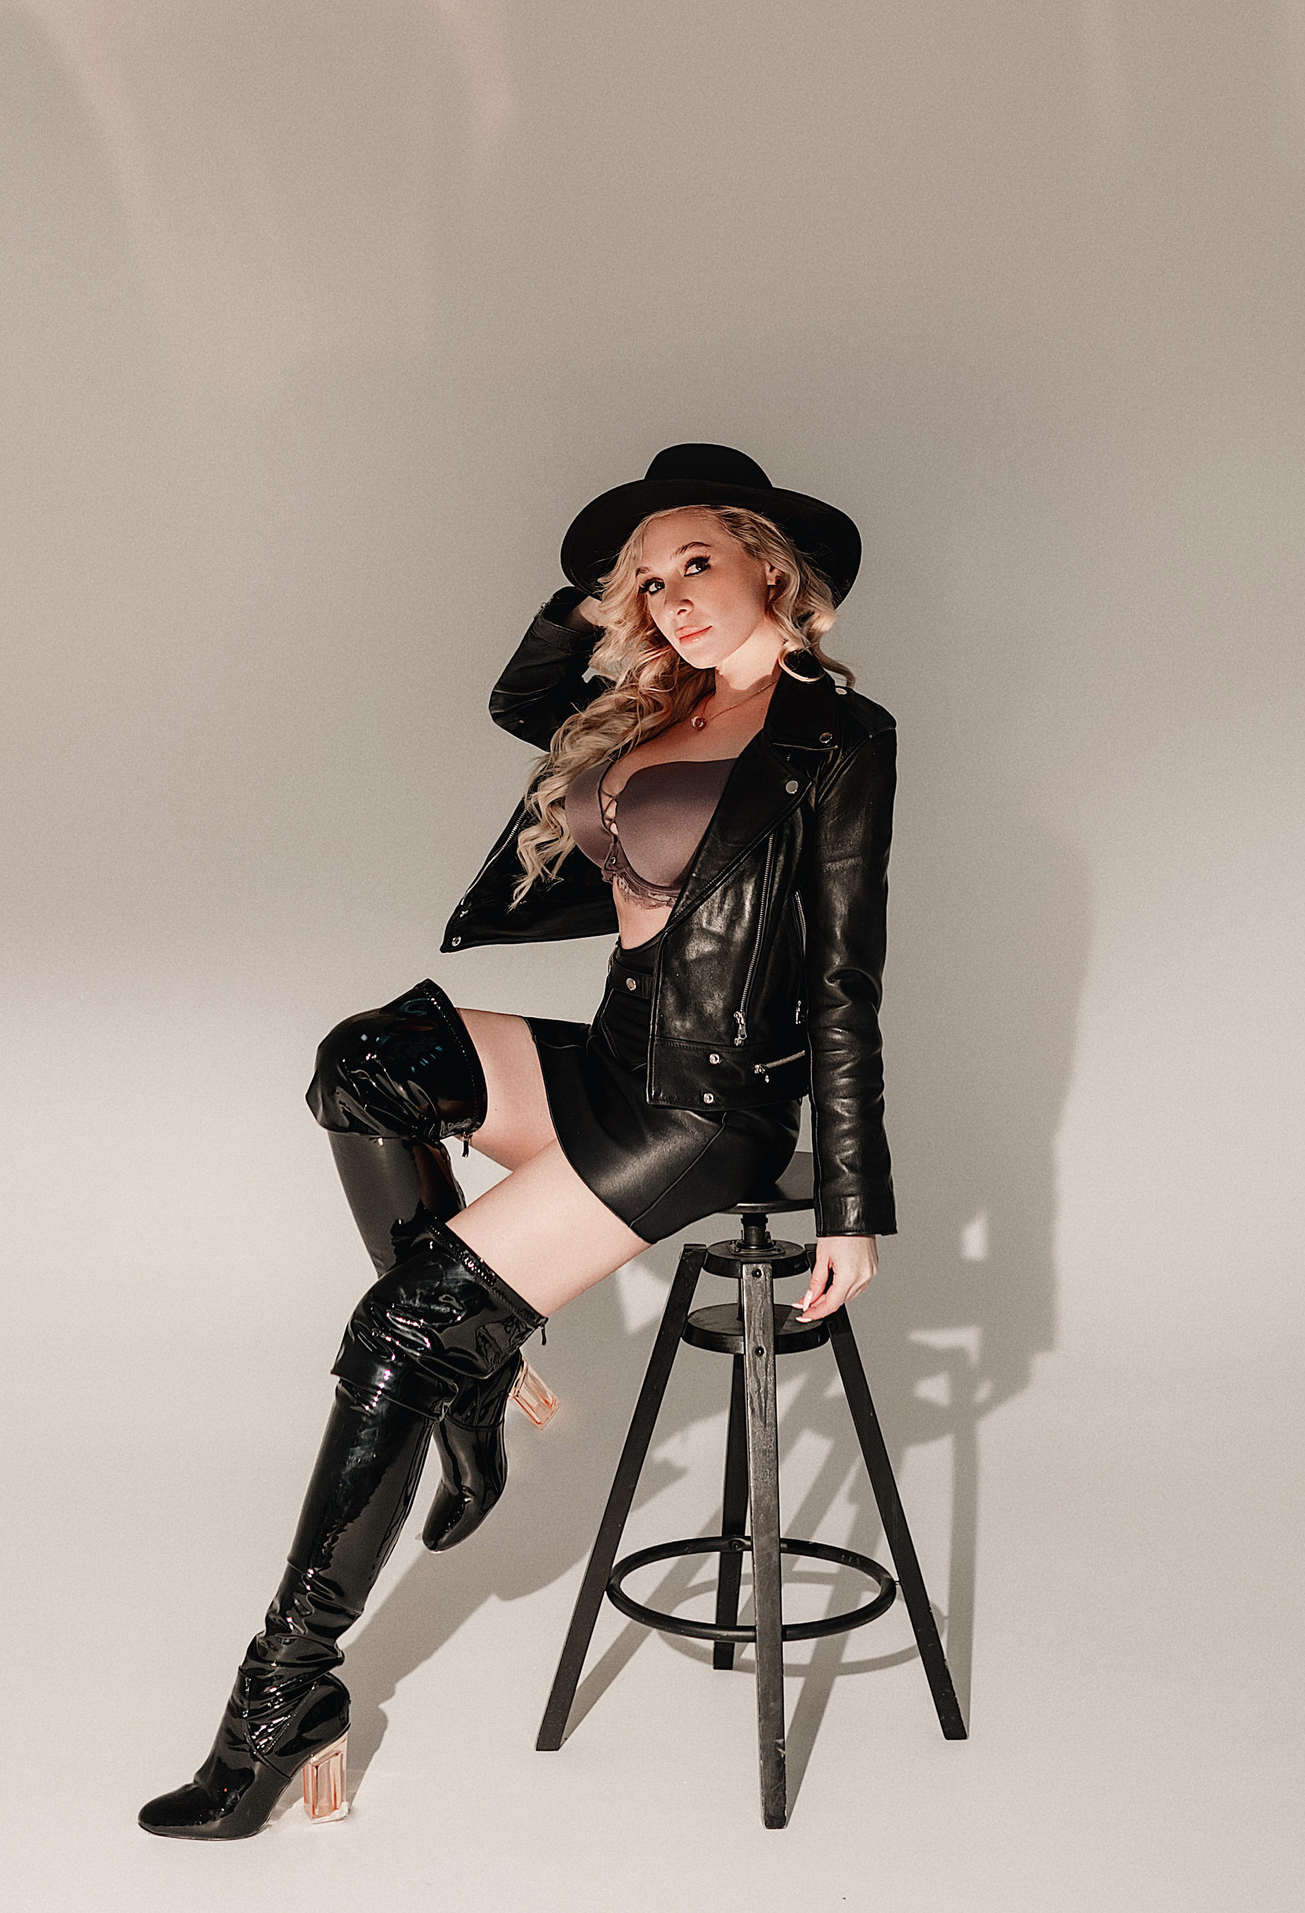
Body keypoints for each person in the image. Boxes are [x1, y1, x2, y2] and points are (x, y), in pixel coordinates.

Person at [138, 443, 898, 1838]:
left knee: (401, 1332)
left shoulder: (836, 739)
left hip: (706, 1109)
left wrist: (853, 1197)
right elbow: (521, 701)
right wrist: (594, 594)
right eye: (648, 579)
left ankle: (284, 1694)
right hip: (615, 1060)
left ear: (770, 565)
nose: (671, 597)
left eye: (697, 563)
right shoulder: (654, 709)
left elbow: (845, 977)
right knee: (368, 1062)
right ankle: (473, 1378)